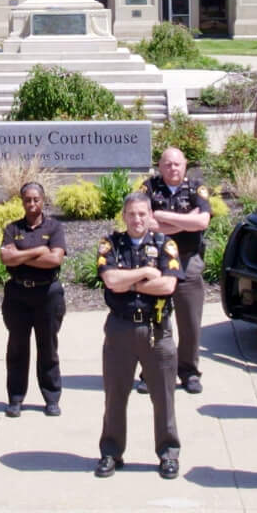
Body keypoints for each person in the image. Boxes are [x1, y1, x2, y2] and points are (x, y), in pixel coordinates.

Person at [96, 191, 181, 479]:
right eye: (131, 213)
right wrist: (145, 272)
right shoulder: (111, 244)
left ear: (151, 216)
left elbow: (168, 286)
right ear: (124, 215)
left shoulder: (165, 244)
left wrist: (127, 283)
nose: (137, 219)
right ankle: (111, 452)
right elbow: (110, 280)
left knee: (164, 397)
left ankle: (168, 454)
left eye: (142, 213)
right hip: (120, 328)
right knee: (115, 396)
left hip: (157, 329)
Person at [143, 146, 212, 394]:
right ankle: (151, 372)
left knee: (190, 323)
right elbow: (146, 223)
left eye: (177, 164)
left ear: (185, 165)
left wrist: (163, 218)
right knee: (156, 319)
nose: (173, 168)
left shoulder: (197, 188)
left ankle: (189, 372)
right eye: (168, 164)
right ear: (160, 167)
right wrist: (185, 222)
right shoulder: (148, 188)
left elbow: (202, 221)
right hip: (157, 263)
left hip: (188, 262)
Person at [0, 180, 69, 418]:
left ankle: (51, 398)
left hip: (47, 293)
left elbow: (55, 260)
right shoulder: (12, 228)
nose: (32, 203)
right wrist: (38, 251)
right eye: (27, 199)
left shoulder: (55, 227)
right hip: (17, 293)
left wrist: (20, 255)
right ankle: (15, 398)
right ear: (22, 202)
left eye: (36, 199)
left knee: (47, 346)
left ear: (43, 200)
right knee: (17, 346)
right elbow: (6, 259)